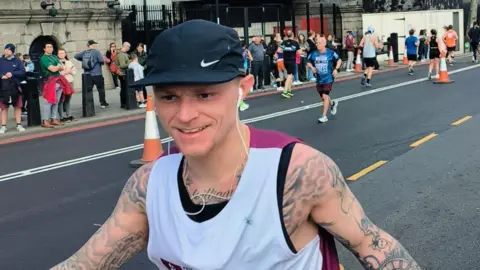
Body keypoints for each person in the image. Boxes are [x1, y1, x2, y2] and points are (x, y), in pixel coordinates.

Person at [50, 20, 420, 270]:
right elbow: (86, 262)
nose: (185, 115)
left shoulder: (297, 172)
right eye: (168, 97)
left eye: (205, 94)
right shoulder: (149, 186)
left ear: (242, 90)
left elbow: (375, 246)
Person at [307, 36, 341, 123]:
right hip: (319, 78)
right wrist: (312, 67)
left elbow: (339, 60)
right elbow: (308, 61)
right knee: (323, 97)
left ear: (324, 44)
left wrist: (336, 69)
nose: (317, 44)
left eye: (319, 43)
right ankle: (333, 104)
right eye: (317, 43)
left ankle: (324, 116)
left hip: (328, 78)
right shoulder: (314, 54)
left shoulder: (330, 53)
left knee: (325, 96)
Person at [39, 42, 73, 128]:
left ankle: (53, 119)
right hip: (50, 81)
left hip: (58, 81)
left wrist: (57, 67)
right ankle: (45, 120)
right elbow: (53, 69)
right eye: (48, 47)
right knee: (49, 101)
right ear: (44, 49)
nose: (50, 48)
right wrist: (58, 67)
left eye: (51, 47)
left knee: (56, 101)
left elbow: (62, 67)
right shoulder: (44, 58)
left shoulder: (54, 56)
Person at [74, 40, 109, 109]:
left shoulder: (84, 52)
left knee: (88, 90)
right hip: (97, 74)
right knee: (101, 89)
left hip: (87, 75)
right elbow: (101, 61)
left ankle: (88, 103)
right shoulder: (96, 52)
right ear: (92, 45)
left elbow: (76, 56)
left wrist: (83, 60)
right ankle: (103, 103)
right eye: (94, 44)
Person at [0, 43, 26, 133]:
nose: (6, 51)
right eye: (6, 49)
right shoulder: (1, 60)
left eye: (9, 49)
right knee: (4, 107)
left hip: (15, 86)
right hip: (3, 87)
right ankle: (3, 126)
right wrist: (1, 76)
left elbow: (22, 72)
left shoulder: (18, 61)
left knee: (17, 106)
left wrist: (12, 74)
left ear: (13, 51)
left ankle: (18, 125)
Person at [280, 30, 301, 98]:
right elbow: (299, 52)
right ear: (293, 35)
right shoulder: (295, 43)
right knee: (289, 76)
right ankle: (285, 91)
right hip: (292, 61)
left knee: (291, 76)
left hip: (285, 61)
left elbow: (280, 50)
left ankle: (289, 91)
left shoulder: (283, 42)